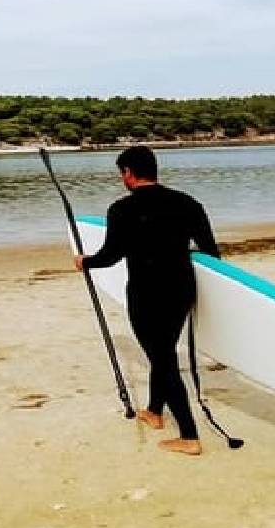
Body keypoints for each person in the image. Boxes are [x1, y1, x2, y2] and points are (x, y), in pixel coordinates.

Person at [75, 145, 221, 456]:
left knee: (163, 360)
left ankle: (189, 436)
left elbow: (110, 256)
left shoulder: (121, 209)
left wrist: (84, 262)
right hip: (181, 291)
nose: (121, 179)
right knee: (163, 351)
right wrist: (182, 254)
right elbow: (211, 253)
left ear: (128, 173)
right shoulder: (188, 203)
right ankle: (155, 412)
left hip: (145, 294)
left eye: (121, 173)